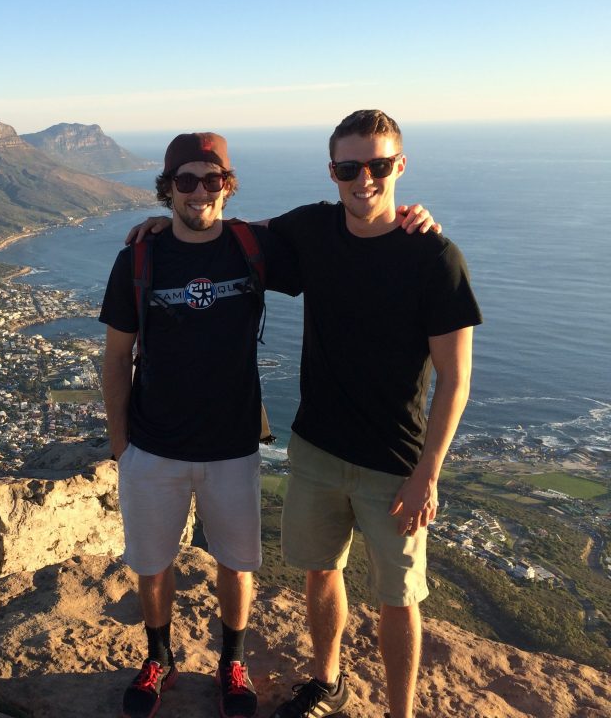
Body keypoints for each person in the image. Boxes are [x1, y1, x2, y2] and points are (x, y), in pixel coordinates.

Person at [100, 130, 438, 718]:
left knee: (236, 563)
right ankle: (160, 657)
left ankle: (232, 662)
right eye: (185, 181)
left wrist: (408, 218)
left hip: (233, 445)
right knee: (152, 565)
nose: (199, 191)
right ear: (167, 188)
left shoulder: (253, 247)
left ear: (227, 186)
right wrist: (121, 445)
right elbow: (115, 358)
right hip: (153, 446)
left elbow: (347, 231)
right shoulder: (138, 258)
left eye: (211, 179)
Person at [262, 110, 481, 718]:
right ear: (331, 172)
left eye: (378, 166)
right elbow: (236, 236)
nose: (364, 180)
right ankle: (325, 681)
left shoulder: (435, 257)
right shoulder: (312, 229)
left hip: (395, 463)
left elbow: (456, 379)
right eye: (349, 169)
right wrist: (167, 219)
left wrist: (428, 474)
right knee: (319, 572)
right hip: (317, 449)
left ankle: (399, 712)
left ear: (399, 166)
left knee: (399, 597)